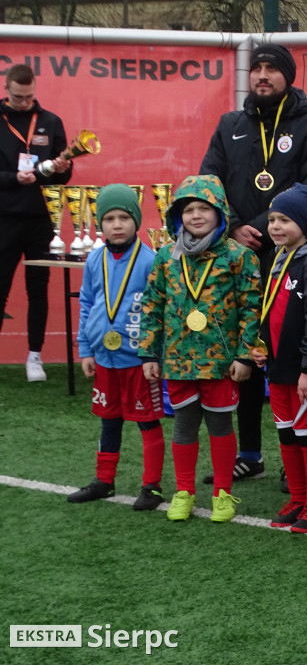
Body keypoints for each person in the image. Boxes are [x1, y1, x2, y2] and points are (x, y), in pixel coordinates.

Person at [199, 42, 307, 484]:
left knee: (287, 354)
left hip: (287, 255)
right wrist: (233, 225)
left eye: (272, 68)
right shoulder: (230, 125)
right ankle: (252, 452)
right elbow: (209, 181)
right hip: (236, 255)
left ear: (288, 76)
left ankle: (293, 445)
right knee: (246, 351)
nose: (262, 75)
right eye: (256, 67)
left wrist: (260, 223)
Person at [139, 175, 261, 523]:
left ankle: (222, 492)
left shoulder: (239, 256)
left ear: (220, 211)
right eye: (188, 209)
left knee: (221, 426)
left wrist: (243, 355)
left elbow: (251, 308)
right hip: (178, 359)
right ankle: (184, 491)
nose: (195, 215)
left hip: (221, 363)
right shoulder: (165, 256)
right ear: (178, 216)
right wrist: (149, 353)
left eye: (203, 208)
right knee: (184, 425)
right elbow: (152, 305)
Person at [68, 184, 163, 510]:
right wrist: (86, 348)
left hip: (138, 361)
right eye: (109, 218)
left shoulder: (150, 260)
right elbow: (87, 304)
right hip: (105, 358)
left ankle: (152, 486)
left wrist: (152, 353)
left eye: (124, 216)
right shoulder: (95, 259)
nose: (117, 224)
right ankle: (104, 481)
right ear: (100, 223)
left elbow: (157, 311)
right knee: (109, 420)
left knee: (147, 421)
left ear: (136, 221)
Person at [249, 184, 307, 534]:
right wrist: (262, 347)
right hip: (279, 368)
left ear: (303, 222)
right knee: (286, 435)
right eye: (272, 220)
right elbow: (272, 312)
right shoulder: (278, 260)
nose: (275, 226)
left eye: (284, 219)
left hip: (303, 371)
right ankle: (297, 498)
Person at [0, 63, 72, 382]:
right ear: (7, 90)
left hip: (41, 219)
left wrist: (60, 166)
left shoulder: (50, 121)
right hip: (4, 217)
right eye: (18, 97)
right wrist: (13, 178)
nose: (24, 103)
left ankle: (35, 357)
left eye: (29, 97)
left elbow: (65, 174)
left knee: (38, 289)